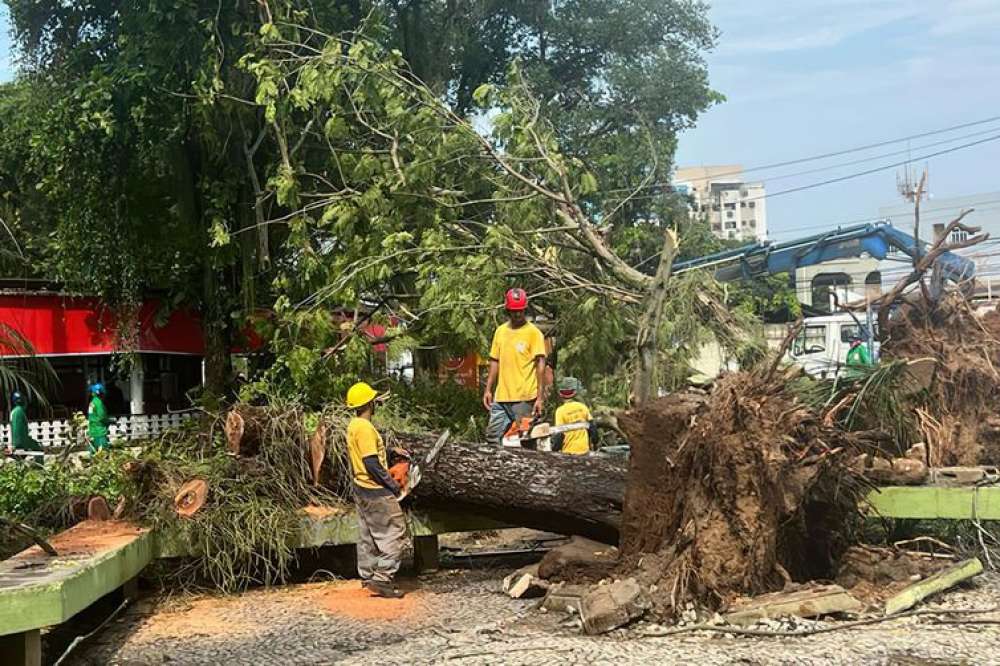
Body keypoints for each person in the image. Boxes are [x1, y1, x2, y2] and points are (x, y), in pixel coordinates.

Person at [345, 381, 408, 599]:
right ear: (370, 403)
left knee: (368, 536)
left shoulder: (353, 425)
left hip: (360, 486)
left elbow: (366, 455)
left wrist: (388, 451)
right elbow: (371, 462)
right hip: (375, 489)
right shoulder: (365, 428)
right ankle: (383, 578)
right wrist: (392, 486)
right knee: (395, 532)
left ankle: (368, 576)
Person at [483, 288, 547, 446]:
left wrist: (539, 397)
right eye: (513, 311)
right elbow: (494, 361)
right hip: (501, 399)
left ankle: (530, 470)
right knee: (492, 438)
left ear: (525, 309)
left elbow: (540, 365)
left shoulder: (534, 333)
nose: (517, 315)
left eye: (520, 311)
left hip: (524, 400)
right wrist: (488, 389)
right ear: (508, 310)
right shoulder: (500, 332)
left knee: (526, 440)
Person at [552, 377, 597, 455]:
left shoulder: (560, 411)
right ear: (575, 393)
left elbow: (558, 435)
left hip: (568, 452)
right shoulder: (582, 407)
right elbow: (593, 429)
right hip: (584, 451)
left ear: (561, 395)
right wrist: (595, 443)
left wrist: (554, 449)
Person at [6, 391, 42, 460]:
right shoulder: (19, 411)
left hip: (16, 441)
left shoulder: (14, 411)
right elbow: (18, 430)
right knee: (38, 448)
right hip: (21, 441)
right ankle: (38, 467)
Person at [87, 383, 113, 453]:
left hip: (92, 431)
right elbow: (102, 417)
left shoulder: (92, 403)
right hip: (100, 431)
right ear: (100, 393)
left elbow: (91, 416)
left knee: (94, 454)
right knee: (103, 454)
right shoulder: (99, 403)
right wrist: (110, 421)